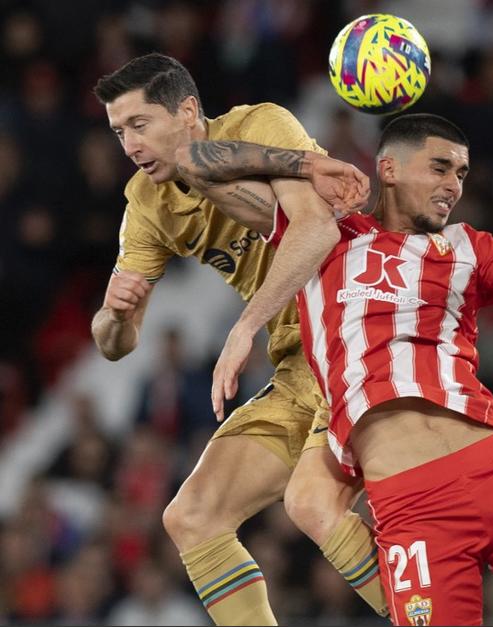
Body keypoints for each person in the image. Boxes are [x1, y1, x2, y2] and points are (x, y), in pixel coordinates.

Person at [194, 114, 493, 625]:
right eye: (440, 168)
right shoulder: (321, 233)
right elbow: (198, 166)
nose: (453, 186)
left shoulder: (466, 248)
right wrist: (309, 163)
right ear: (389, 169)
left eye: (461, 174)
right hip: (413, 507)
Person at [91, 53, 388, 624]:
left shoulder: (259, 127)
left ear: (187, 112)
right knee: (192, 517)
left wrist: (244, 327)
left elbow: (315, 230)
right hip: (299, 365)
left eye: (139, 124)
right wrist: (115, 315)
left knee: (311, 503)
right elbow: (114, 345)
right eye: (118, 131)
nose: (129, 144)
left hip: (355, 331)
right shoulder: (146, 203)